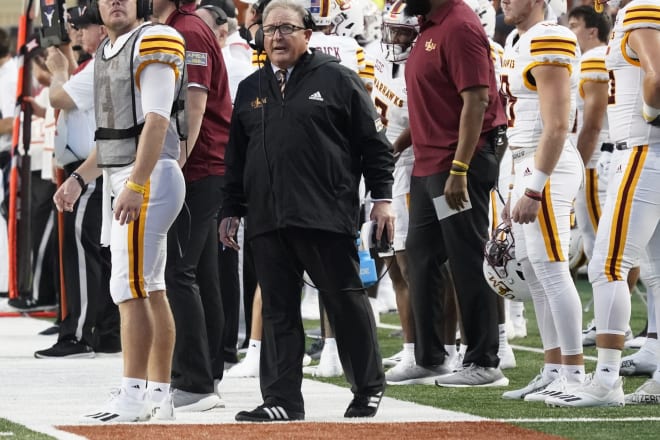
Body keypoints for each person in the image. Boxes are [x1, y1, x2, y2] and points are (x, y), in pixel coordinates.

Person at [219, 0, 394, 421]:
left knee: (344, 301)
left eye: (286, 28)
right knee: (278, 309)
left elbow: (374, 146)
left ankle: (368, 387)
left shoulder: (338, 79)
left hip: (324, 213)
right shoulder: (250, 88)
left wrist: (383, 199)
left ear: (307, 34)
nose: (276, 36)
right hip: (266, 217)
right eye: (269, 29)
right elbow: (236, 157)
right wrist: (231, 208)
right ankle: (281, 400)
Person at [53, 0, 186, 422]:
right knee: (150, 287)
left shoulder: (153, 39)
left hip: (147, 175)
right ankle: (158, 395)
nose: (115, 1)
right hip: (126, 173)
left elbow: (157, 121)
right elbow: (114, 136)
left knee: (128, 290)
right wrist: (80, 178)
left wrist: (136, 182)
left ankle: (132, 395)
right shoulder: (108, 52)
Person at [545, 0, 660, 408]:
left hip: (644, 151)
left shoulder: (643, 10)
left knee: (607, 264)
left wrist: (650, 113)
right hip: (646, 152)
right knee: (655, 270)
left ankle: (607, 379)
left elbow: (656, 80)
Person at [400, 0, 508, 387]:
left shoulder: (459, 25)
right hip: (429, 163)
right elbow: (434, 101)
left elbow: (476, 99)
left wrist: (460, 168)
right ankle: (430, 357)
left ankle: (484, 360)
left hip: (453, 165)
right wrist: (397, 145)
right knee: (421, 257)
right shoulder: (429, 25)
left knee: (465, 256)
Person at [497, 0, 586, 401]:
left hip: (545, 161)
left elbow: (557, 125)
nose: (501, 3)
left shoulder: (551, 36)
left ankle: (574, 374)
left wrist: (535, 186)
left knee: (552, 269)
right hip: (523, 161)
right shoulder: (520, 40)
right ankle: (553, 369)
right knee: (534, 272)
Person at [152, 0, 233, 413]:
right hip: (204, 165)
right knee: (199, 272)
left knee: (177, 272)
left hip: (199, 166)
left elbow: (196, 103)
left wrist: (176, 163)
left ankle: (195, 380)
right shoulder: (179, 26)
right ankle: (208, 374)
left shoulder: (188, 29)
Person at [34, 5, 120, 359]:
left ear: (102, 29)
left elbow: (60, 95)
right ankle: (106, 331)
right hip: (98, 168)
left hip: (92, 172)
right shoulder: (99, 62)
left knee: (83, 254)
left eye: (84, 28)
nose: (79, 35)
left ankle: (80, 333)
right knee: (103, 255)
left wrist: (55, 70)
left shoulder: (103, 61)